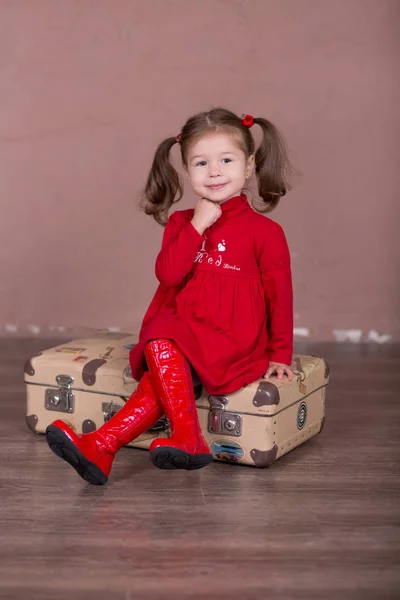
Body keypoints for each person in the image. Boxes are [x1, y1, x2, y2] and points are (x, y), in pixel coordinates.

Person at [45, 107, 295, 485]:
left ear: (248, 166)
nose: (213, 172)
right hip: (187, 329)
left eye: (226, 160)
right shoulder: (182, 223)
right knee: (161, 363)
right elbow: (169, 274)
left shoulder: (265, 231)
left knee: (162, 339)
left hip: (232, 338)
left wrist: (280, 354)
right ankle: (104, 446)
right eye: (201, 163)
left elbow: (280, 295)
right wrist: (197, 224)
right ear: (186, 170)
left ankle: (170, 439)